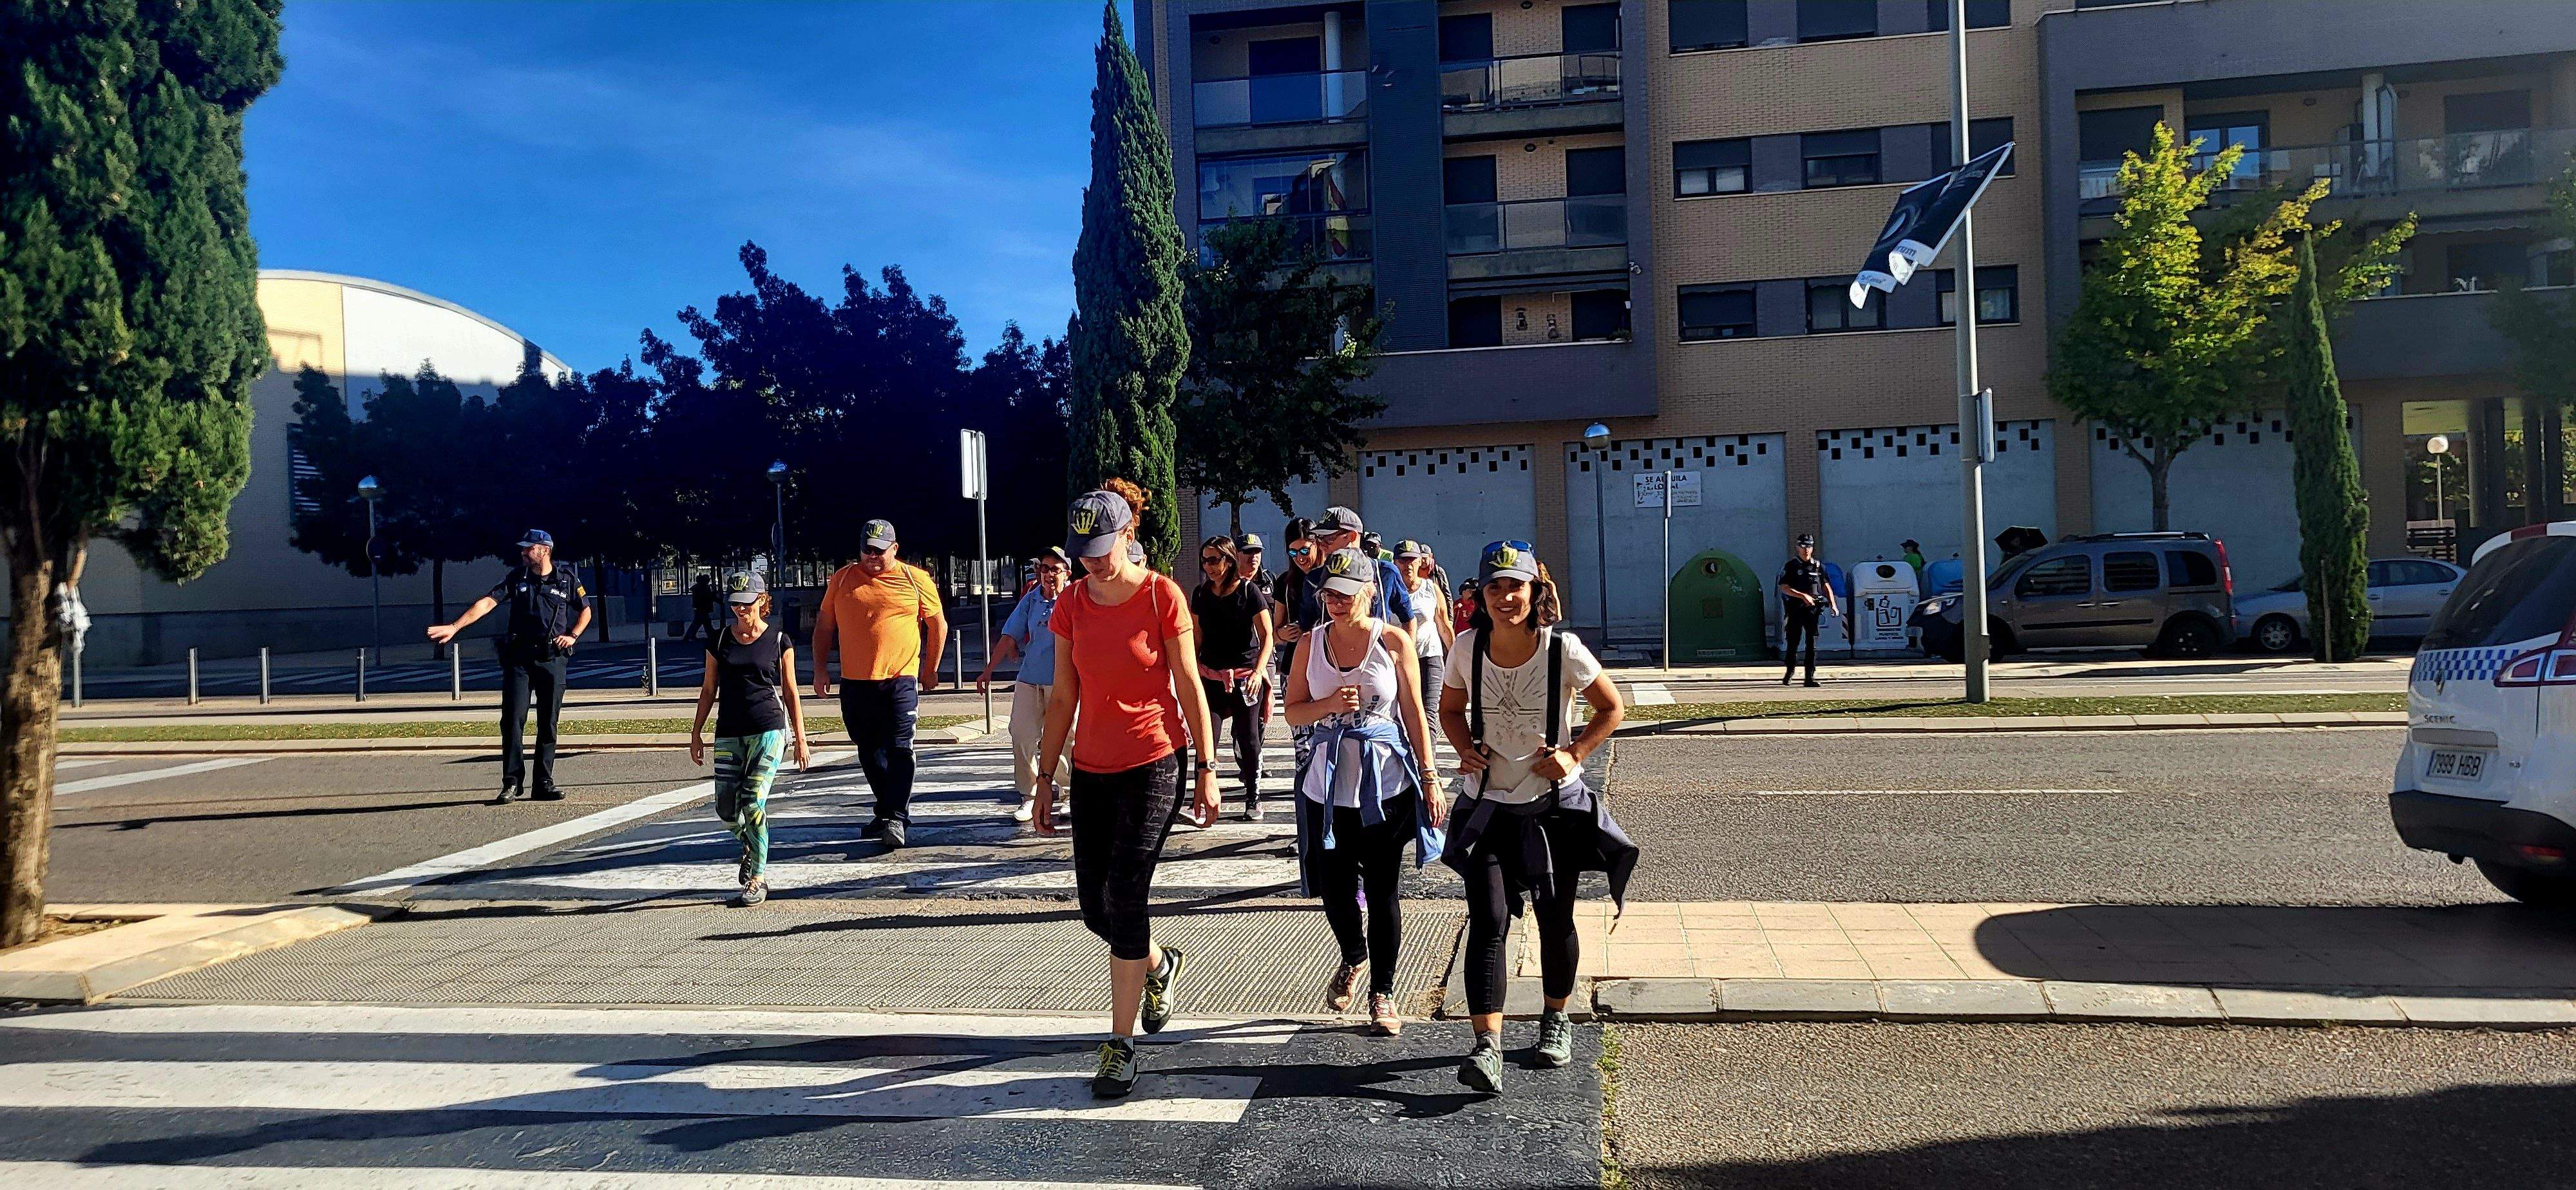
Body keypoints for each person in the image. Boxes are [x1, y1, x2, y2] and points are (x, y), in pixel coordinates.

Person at [1033, 479, 1224, 1099]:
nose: (1091, 561)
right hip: (1091, 767)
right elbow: (1063, 695)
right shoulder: (1071, 604)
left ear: (1128, 534)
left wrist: (1208, 767)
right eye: (1081, 551)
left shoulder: (1161, 595)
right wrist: (1044, 779)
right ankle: (1159, 963)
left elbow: (1189, 683)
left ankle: (1120, 1045)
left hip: (1154, 759)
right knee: (1097, 909)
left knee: (1126, 890)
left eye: (1101, 548)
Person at [1438, 541, 1633, 1094]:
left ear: (1534, 591)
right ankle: (1486, 1046)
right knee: (1488, 920)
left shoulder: (1562, 648)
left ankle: (1556, 1017)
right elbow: (1450, 710)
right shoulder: (1467, 647)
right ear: (1480, 595)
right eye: (1494, 587)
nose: (1505, 598)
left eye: (1515, 587)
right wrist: (1464, 748)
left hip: (1551, 811)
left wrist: (1574, 754)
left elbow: (1611, 708)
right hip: (1489, 808)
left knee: (1555, 917)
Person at [1285, 547, 1444, 1035]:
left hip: (1386, 784)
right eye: (1329, 594)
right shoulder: (1310, 644)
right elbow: (1293, 710)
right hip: (1328, 787)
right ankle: (1354, 955)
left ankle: (1383, 992)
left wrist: (1431, 777)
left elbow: (1414, 713)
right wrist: (1329, 704)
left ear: (1370, 592)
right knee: (1334, 891)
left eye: (1346, 594)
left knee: (1382, 889)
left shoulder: (1393, 641)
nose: (1336, 602)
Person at [427, 529, 589, 804]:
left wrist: (573, 635)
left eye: (529, 548)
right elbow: (487, 603)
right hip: (520, 659)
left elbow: (585, 609)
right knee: (513, 721)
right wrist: (455, 626)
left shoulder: (567, 579)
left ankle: (543, 783)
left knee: (548, 722)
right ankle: (512, 782)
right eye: (523, 548)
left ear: (545, 550)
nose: (523, 552)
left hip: (553, 658)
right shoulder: (517, 578)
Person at [813, 518, 946, 849]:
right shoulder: (842, 579)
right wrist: (820, 670)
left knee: (901, 748)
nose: (872, 557)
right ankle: (887, 809)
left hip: (900, 678)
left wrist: (930, 669)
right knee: (869, 750)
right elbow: (825, 626)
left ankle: (896, 817)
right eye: (867, 550)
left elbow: (938, 625)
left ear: (894, 549)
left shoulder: (915, 580)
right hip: (855, 682)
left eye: (879, 551)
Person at [688, 572, 812, 907]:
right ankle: (751, 843)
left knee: (753, 800)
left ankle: (758, 877)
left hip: (768, 729)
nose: (741, 610)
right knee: (726, 808)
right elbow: (708, 689)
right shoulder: (718, 640)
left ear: (762, 600)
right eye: (735, 604)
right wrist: (696, 733)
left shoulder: (779, 640)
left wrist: (800, 738)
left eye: (747, 603)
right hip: (729, 732)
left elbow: (791, 691)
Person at [980, 547, 1071, 826]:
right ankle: (1029, 795)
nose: (1048, 574)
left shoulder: (1075, 599)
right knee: (1021, 735)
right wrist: (989, 670)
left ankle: (1068, 792)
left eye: (1055, 569)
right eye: (1044, 568)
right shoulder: (1031, 600)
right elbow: (1010, 635)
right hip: (1029, 680)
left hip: (1064, 682)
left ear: (1067, 573)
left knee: (1068, 738)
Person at [1190, 536, 1275, 821]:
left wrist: (1259, 672)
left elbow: (1267, 637)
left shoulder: (1250, 592)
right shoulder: (1201, 594)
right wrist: (1191, 670)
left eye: (1214, 560)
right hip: (1211, 676)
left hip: (1245, 677)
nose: (1208, 567)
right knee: (1207, 738)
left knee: (1248, 738)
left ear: (1228, 561)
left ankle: (1253, 797)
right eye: (1205, 561)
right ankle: (1202, 796)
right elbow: (1196, 636)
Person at [1309, 507, 1414, 627]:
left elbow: (1409, 619)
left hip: (1375, 638)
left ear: (1352, 537)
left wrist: (1403, 640)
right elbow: (1307, 625)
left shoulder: (1386, 573)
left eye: (1329, 539)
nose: (1322, 545)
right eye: (1319, 538)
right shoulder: (1314, 578)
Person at [1777, 533, 1837, 688]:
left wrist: (1833, 604)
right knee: (1793, 643)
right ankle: (1790, 671)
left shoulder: (1818, 566)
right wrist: (1803, 596)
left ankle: (1809, 678)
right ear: (1798, 547)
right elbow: (1784, 587)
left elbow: (1826, 586)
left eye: (1809, 546)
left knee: (1812, 644)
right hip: (1796, 610)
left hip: (1813, 611)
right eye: (1803, 546)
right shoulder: (1791, 566)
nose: (1806, 550)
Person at [1396, 540, 1454, 702]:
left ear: (1420, 561)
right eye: (1403, 560)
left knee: (1429, 711)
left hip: (1429, 656)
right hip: (1400, 661)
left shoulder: (1431, 588)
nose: (1408, 565)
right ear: (1395, 562)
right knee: (1404, 712)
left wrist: (1456, 659)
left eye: (1412, 560)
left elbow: (1444, 626)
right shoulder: (1389, 591)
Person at [685, 573, 718, 641]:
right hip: (704, 608)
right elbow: (710, 597)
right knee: (706, 623)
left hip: (699, 607)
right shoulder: (705, 587)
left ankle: (690, 636)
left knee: (698, 622)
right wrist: (716, 595)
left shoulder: (697, 587)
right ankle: (711, 636)